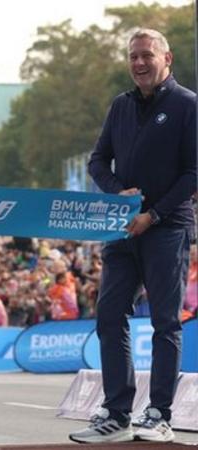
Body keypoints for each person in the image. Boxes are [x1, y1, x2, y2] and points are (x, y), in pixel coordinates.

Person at [69, 29, 196, 444]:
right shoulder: (120, 106)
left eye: (146, 56)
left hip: (167, 227)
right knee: (109, 315)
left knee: (164, 322)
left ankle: (159, 413)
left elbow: (194, 173)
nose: (139, 63)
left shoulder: (187, 105)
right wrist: (116, 195)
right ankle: (116, 412)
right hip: (121, 228)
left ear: (167, 59)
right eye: (132, 57)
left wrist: (153, 214)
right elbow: (97, 160)